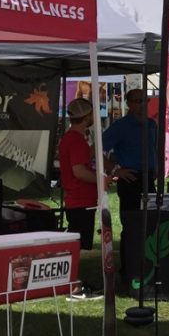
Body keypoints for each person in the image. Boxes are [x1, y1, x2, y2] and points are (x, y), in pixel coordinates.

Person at [102, 88, 158, 290]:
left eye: (145, 100)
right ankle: (128, 271)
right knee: (132, 225)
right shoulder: (121, 127)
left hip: (148, 180)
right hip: (131, 179)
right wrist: (116, 170)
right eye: (137, 100)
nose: (142, 104)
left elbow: (155, 150)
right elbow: (97, 151)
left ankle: (147, 266)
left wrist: (157, 169)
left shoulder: (152, 125)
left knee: (149, 223)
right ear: (129, 104)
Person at [59, 98, 105, 298]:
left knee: (80, 242)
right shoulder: (75, 140)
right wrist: (101, 179)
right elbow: (79, 171)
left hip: (78, 198)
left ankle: (74, 283)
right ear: (86, 117)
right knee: (78, 244)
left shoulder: (72, 138)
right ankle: (73, 285)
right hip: (80, 199)